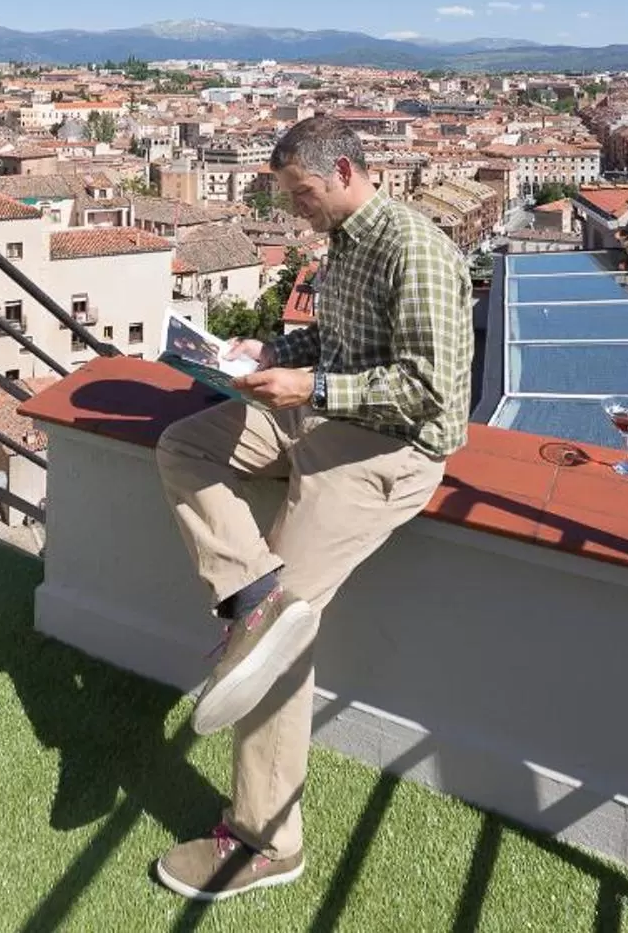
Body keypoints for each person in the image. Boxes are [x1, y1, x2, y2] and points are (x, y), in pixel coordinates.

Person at [149, 115, 474, 902]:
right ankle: (253, 597)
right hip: (327, 415)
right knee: (184, 446)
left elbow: (436, 393)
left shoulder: (414, 247)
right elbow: (338, 341)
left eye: (302, 195)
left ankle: (265, 840)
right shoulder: (348, 241)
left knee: (277, 647)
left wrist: (315, 390)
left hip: (391, 449)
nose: (297, 211)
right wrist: (267, 355)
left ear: (347, 173)